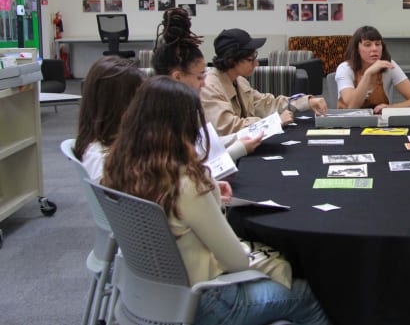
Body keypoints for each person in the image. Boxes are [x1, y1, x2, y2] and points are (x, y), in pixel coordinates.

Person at [101, 77, 331, 325]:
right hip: (205, 302)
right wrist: (209, 195)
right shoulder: (187, 184)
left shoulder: (119, 169)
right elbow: (237, 262)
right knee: (310, 296)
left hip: (144, 296)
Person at [152, 8, 263, 160]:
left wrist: (239, 140)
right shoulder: (159, 122)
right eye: (199, 77)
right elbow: (189, 170)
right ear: (177, 77)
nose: (204, 84)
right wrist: (237, 150)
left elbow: (203, 147)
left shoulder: (181, 108)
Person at [201, 28, 327, 135]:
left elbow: (267, 103)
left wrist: (306, 101)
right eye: (251, 59)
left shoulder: (239, 81)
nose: (256, 63)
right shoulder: (209, 87)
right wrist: (274, 122)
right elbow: (227, 127)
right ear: (231, 60)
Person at [74, 56, 146, 180]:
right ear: (115, 105)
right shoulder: (100, 160)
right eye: (137, 99)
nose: (143, 107)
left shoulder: (116, 145)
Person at [335, 25, 410, 114]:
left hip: (379, 121)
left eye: (377, 44)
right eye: (367, 45)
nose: (374, 49)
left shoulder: (388, 65)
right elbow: (351, 107)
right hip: (349, 120)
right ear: (357, 49)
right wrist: (368, 74)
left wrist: (390, 108)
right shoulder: (345, 68)